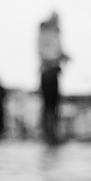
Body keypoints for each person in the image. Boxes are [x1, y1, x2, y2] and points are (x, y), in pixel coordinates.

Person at [37, 13, 68, 145]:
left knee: (53, 105)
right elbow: (45, 52)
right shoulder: (46, 34)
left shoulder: (55, 33)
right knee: (49, 105)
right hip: (48, 71)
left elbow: (57, 50)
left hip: (54, 70)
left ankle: (53, 133)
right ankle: (48, 134)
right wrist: (57, 58)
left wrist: (64, 55)